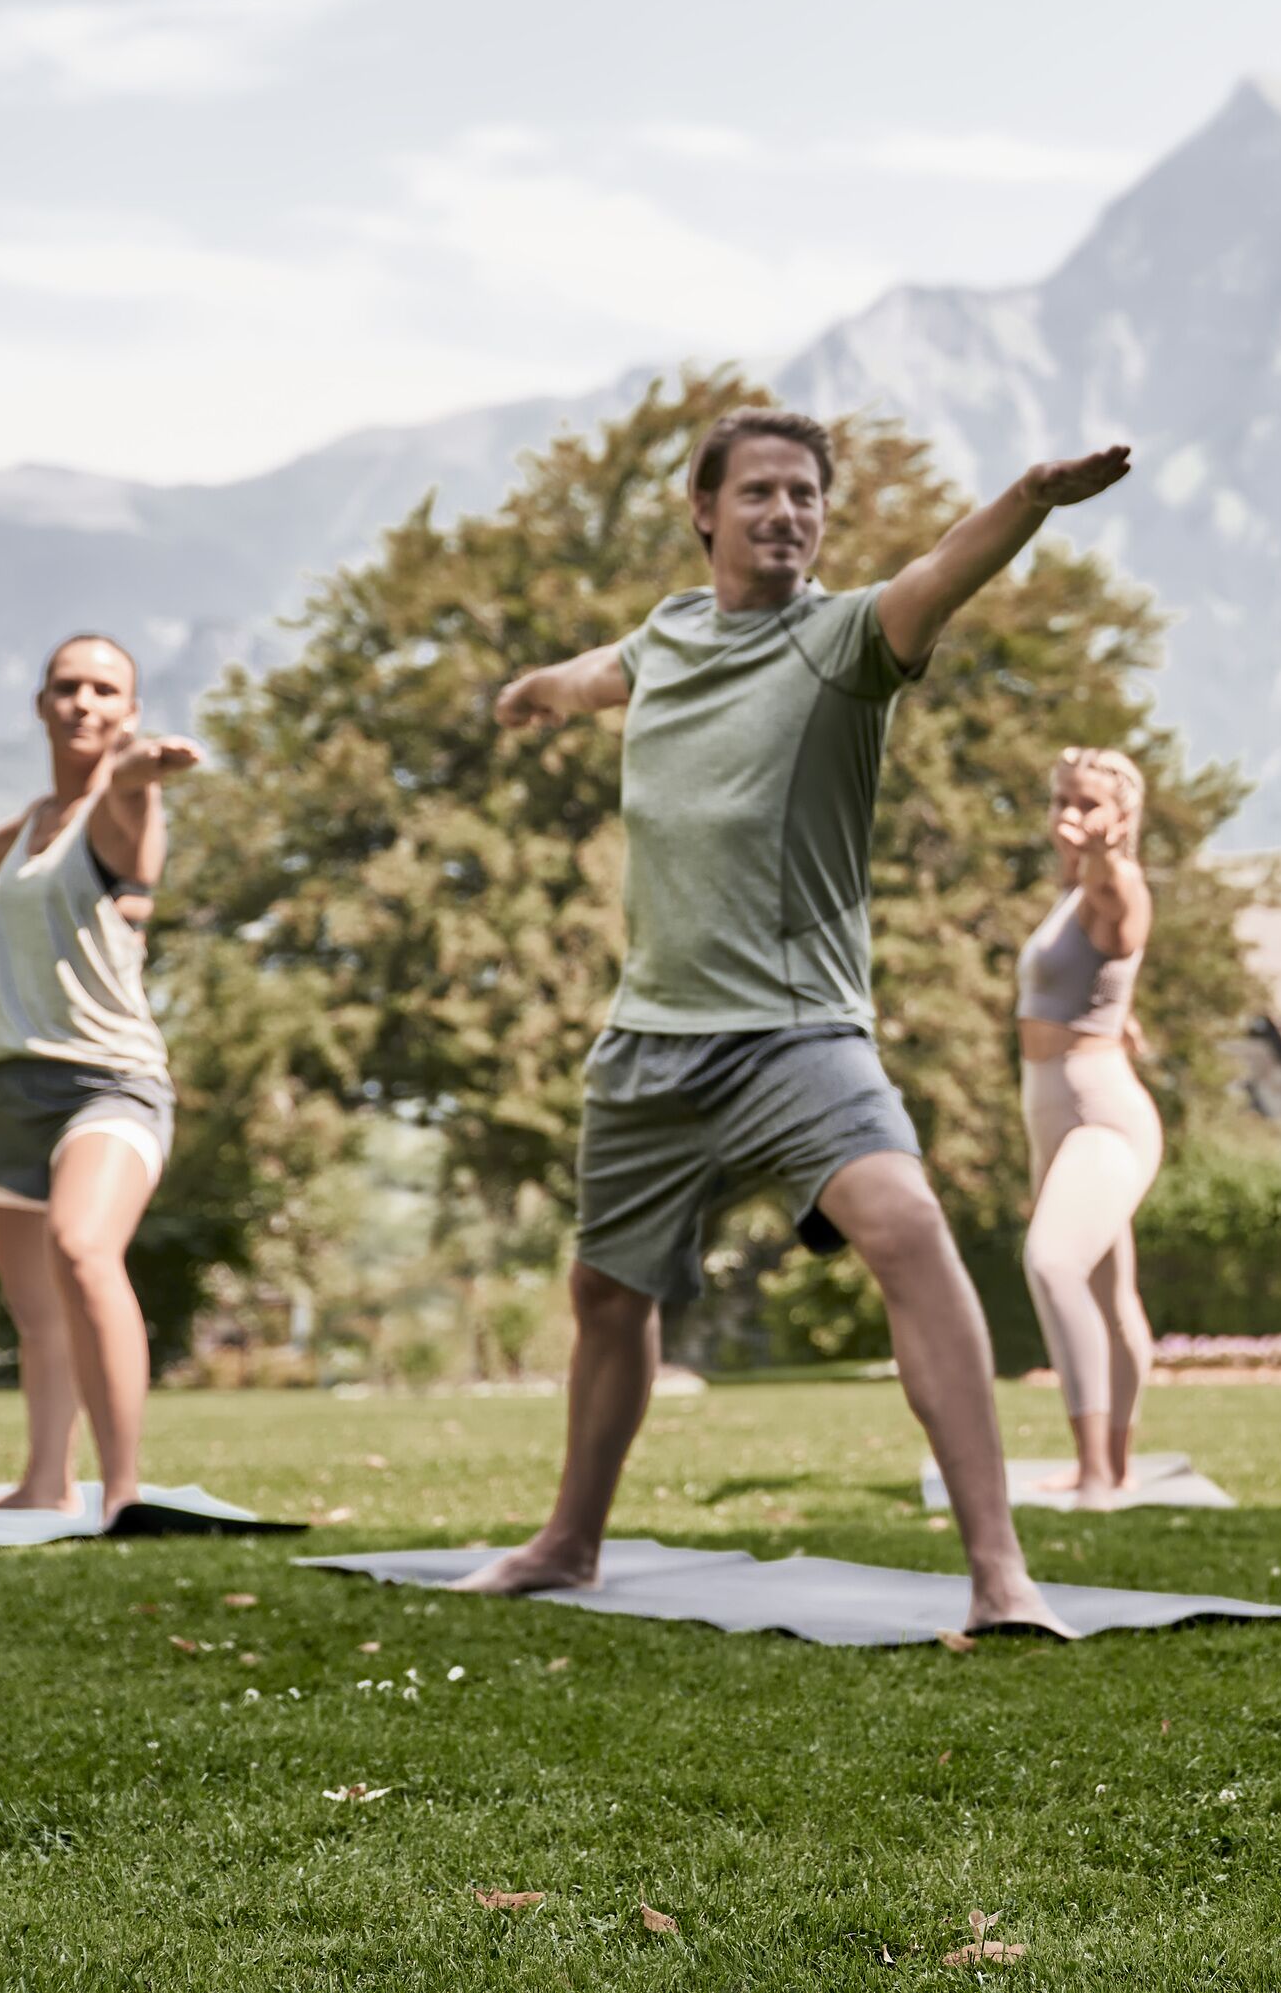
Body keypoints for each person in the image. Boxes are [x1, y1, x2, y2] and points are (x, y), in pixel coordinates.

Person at [469, 406, 1129, 1633]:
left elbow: (940, 574)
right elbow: (606, 670)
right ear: (704, 511)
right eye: (761, 491)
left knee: (908, 1225)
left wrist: (1030, 495)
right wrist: (537, 695)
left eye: (805, 496)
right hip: (651, 1040)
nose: (786, 512)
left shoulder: (844, 638)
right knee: (608, 1293)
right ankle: (568, 1541)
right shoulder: (668, 633)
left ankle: (1000, 1575)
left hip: (797, 1037)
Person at [0, 634, 202, 1527]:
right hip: (15, 1089)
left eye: (104, 690)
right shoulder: (32, 821)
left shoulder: (117, 807)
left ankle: (123, 1494)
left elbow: (131, 800)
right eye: (67, 687)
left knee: (83, 1250)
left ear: (128, 711)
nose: (83, 702)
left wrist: (146, 767)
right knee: (37, 1314)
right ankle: (45, 1481)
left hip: (107, 1084)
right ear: (41, 704)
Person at [1017, 745, 1164, 1504]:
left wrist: (1107, 861)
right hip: (1052, 1110)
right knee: (1110, 1296)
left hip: (1102, 1117)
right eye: (1062, 801)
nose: (1071, 817)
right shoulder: (1068, 898)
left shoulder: (1117, 884)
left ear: (1123, 818)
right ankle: (1106, 1460)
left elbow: (1120, 910)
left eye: (1089, 804)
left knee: (1051, 1261)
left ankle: (1101, 1473)